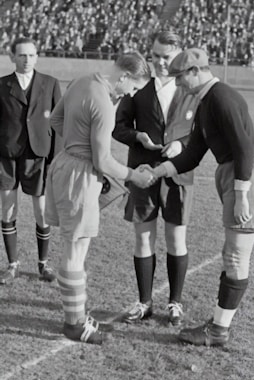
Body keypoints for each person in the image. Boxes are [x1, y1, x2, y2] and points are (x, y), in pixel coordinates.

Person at [149, 48, 254, 346]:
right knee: (232, 254)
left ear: (195, 71)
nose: (177, 84)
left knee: (235, 254)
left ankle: (218, 330)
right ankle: (218, 325)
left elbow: (244, 147)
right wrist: (158, 171)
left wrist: (242, 194)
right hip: (234, 175)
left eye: (180, 77)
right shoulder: (206, 102)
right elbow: (193, 153)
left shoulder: (221, 97)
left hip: (246, 177)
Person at [45, 51, 153, 345]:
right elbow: (103, 161)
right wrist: (133, 175)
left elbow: (56, 120)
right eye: (132, 88)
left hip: (67, 165)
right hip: (80, 174)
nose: (130, 94)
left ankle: (78, 314)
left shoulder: (82, 80)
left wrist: (75, 143)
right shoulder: (104, 102)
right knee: (75, 249)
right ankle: (74, 323)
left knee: (76, 245)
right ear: (124, 77)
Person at [112, 31, 202, 326]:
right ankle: (144, 302)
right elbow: (119, 128)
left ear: (178, 54)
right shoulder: (139, 88)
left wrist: (182, 144)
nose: (161, 62)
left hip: (178, 174)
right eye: (155, 56)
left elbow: (203, 131)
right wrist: (138, 135)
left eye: (167, 56)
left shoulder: (189, 88)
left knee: (176, 239)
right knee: (144, 238)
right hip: (143, 174)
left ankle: (175, 302)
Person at [0, 37, 62, 285]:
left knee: (41, 212)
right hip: (7, 155)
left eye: (31, 55)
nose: (27, 60)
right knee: (8, 209)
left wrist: (55, 158)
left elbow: (58, 123)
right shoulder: (2, 85)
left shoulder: (50, 83)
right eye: (22, 55)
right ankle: (12, 264)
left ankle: (43, 264)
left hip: (39, 156)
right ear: (12, 57)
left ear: (37, 57)